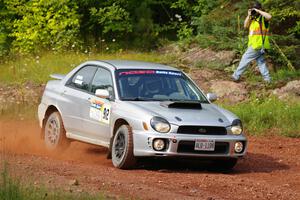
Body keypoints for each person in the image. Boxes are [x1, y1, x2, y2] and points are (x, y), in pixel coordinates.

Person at [232, 2, 272, 83]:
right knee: (261, 62)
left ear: (260, 9)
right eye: (254, 9)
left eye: (256, 8)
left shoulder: (263, 19)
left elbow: (269, 16)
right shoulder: (253, 19)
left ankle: (236, 76)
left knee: (245, 59)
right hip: (258, 45)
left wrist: (258, 11)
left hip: (257, 45)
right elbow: (245, 25)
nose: (255, 11)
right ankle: (268, 80)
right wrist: (249, 15)